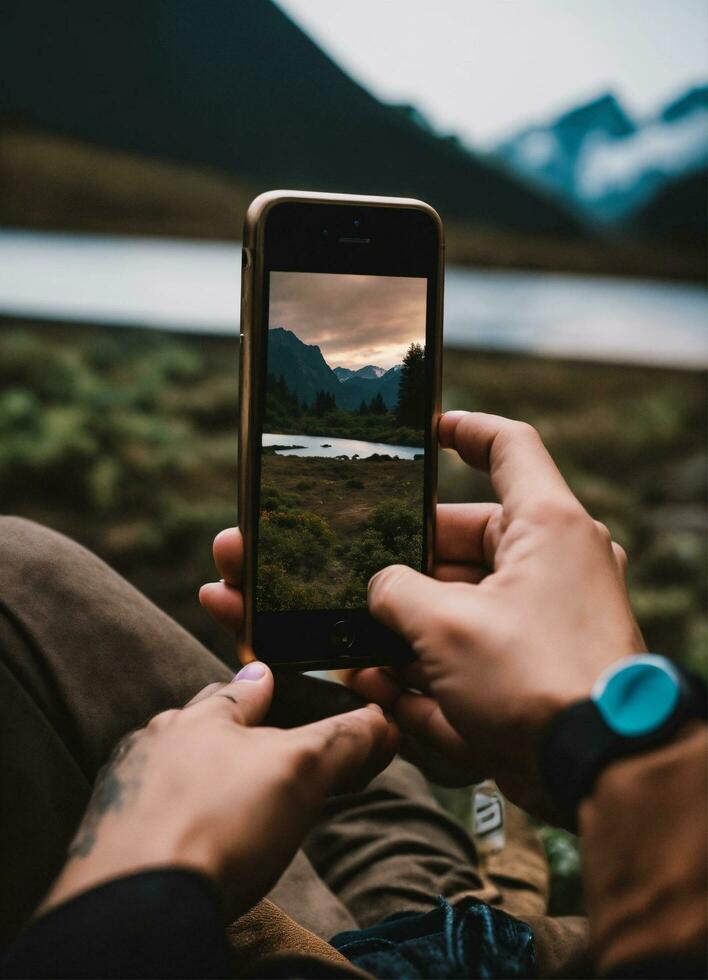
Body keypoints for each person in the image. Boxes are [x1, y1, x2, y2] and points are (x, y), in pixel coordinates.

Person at [0, 411, 705, 978]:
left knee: (17, 570)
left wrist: (145, 874)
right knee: (381, 761)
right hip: (531, 937)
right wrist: (603, 752)